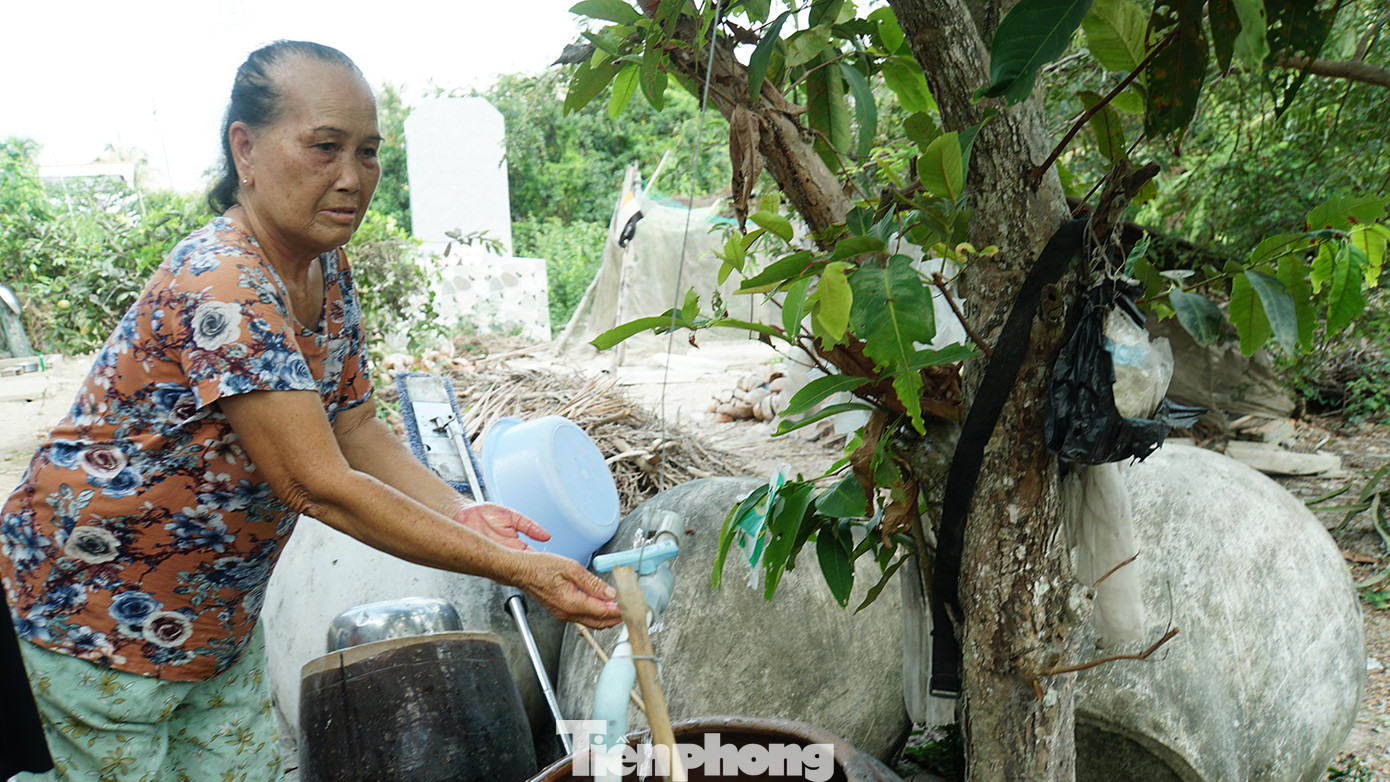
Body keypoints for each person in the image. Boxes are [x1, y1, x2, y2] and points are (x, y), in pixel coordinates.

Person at [0, 40, 622, 781]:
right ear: (246, 149)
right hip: (92, 623)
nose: (353, 178)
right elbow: (317, 483)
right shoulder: (222, 281)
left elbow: (354, 423)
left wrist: (459, 512)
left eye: (367, 152)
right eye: (325, 147)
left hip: (213, 631)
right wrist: (515, 568)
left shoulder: (323, 265)